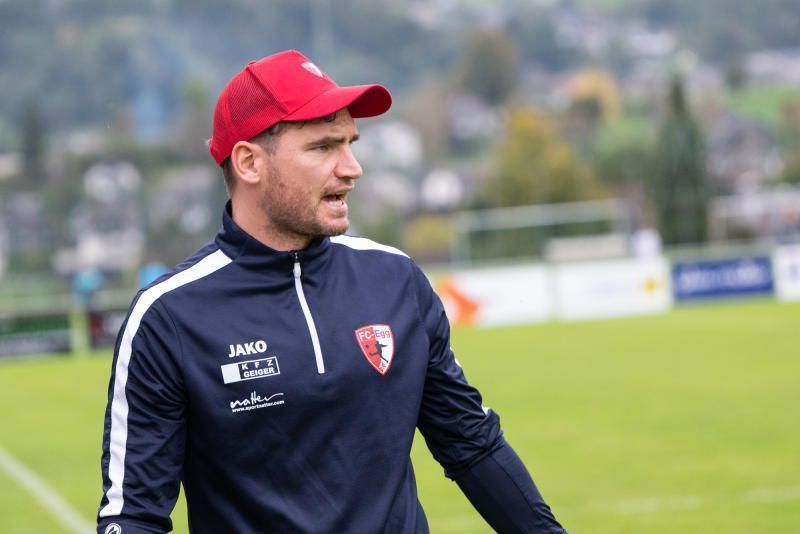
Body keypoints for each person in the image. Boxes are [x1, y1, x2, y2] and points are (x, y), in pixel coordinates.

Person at [97, 49, 566, 534]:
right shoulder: (168, 317)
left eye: (350, 143)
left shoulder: (396, 279)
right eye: (323, 147)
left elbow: (471, 442)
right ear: (249, 163)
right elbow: (134, 515)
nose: (352, 167)